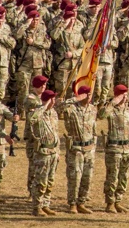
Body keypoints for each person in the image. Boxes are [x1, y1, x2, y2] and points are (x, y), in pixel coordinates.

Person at [62, 84, 98, 214]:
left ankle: (81, 202)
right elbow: (59, 106)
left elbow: (94, 128)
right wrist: (75, 98)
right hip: (76, 147)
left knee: (87, 177)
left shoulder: (93, 109)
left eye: (90, 94)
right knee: (75, 177)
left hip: (89, 147)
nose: (89, 97)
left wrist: (94, 143)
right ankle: (72, 203)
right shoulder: (71, 109)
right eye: (86, 94)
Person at [99, 84, 129, 214]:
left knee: (124, 177)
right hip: (114, 147)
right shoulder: (111, 109)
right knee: (112, 177)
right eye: (122, 95)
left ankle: (118, 201)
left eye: (126, 95)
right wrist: (113, 102)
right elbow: (101, 115)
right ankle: (110, 203)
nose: (125, 97)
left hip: (126, 147)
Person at [28, 89, 60, 217]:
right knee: (40, 181)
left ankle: (46, 204)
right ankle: (37, 207)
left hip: (53, 151)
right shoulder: (36, 112)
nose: (54, 101)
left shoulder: (53, 113)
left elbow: (55, 131)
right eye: (52, 99)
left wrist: (57, 151)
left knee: (50, 180)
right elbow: (32, 119)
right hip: (42, 152)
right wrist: (44, 106)